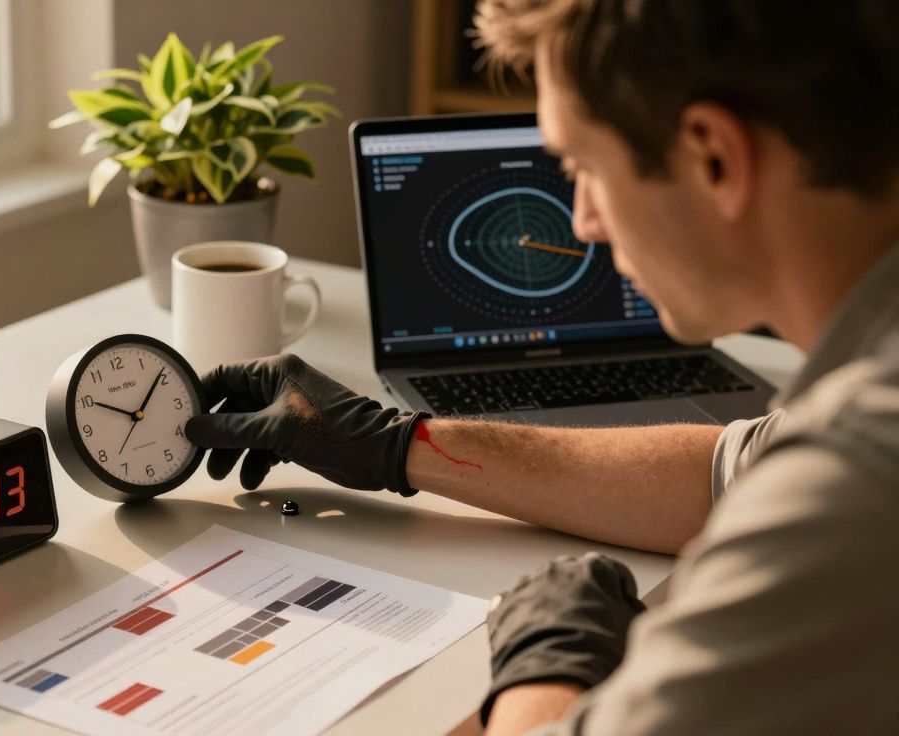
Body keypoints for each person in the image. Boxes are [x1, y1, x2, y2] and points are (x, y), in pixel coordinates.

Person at [182, 1, 899, 733]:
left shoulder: (858, 478)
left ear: (712, 156)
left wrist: (546, 653)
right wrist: (395, 441)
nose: (583, 222)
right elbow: (722, 472)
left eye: (584, 167)